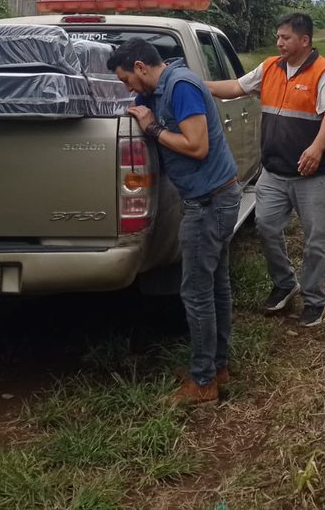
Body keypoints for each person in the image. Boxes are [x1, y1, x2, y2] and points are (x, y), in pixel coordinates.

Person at [108, 38, 241, 406]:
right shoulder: (155, 92)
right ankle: (217, 367)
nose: (127, 89)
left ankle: (203, 383)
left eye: (126, 80)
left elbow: (197, 147)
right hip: (212, 199)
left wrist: (152, 129)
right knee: (215, 287)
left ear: (140, 68)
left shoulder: (181, 86)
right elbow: (139, 106)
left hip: (210, 203)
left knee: (197, 293)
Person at [207, 12, 325, 327]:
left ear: (304, 40)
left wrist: (317, 147)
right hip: (275, 172)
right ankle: (285, 282)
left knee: (315, 241)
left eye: (285, 37)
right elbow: (235, 87)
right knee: (266, 226)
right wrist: (197, 83)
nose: (279, 42)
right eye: (278, 36)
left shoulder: (324, 73)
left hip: (313, 175)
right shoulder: (269, 67)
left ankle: (314, 299)